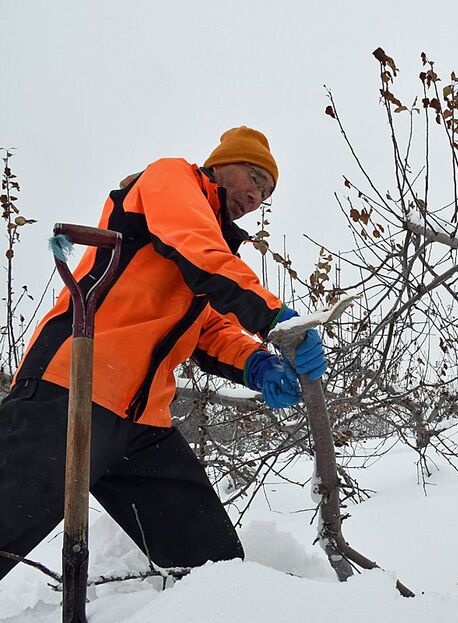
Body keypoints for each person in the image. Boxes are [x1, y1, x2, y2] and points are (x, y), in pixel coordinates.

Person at [0, 126, 327, 581]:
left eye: (266, 191)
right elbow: (198, 249)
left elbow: (209, 327)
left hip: (142, 424)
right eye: (253, 177)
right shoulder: (172, 179)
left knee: (214, 568)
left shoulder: (210, 250)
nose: (256, 196)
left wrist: (256, 362)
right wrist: (276, 319)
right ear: (220, 164)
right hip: (72, 388)